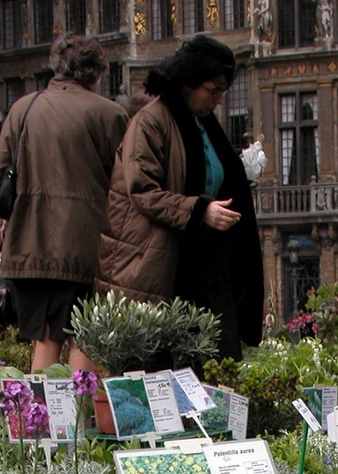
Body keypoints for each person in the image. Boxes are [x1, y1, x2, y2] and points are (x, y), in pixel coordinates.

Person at [96, 35, 264, 368]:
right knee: (163, 366)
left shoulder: (203, 123)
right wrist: (200, 210)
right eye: (213, 90)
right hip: (157, 265)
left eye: (222, 92)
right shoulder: (151, 122)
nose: (217, 101)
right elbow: (142, 190)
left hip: (204, 261)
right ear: (188, 81)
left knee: (217, 359)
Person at [0, 34, 126, 372]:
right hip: (86, 247)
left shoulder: (24, 108)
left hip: (30, 249)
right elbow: (125, 187)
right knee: (86, 336)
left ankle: (39, 421)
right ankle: (75, 421)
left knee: (46, 341)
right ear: (96, 73)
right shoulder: (110, 115)